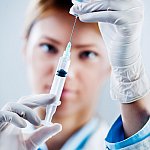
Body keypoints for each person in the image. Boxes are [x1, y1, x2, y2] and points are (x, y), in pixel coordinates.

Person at [0, 0, 150, 149]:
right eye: (48, 47)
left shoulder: (129, 142)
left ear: (110, 65)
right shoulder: (4, 138)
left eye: (87, 54)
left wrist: (131, 81)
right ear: (25, 48)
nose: (68, 74)